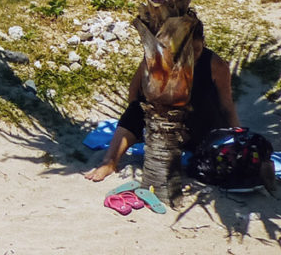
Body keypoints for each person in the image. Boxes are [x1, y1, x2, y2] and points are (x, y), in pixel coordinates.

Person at [85, 22, 238, 182]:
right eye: (186, 52)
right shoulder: (159, 58)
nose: (192, 57)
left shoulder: (215, 65)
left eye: (197, 50)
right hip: (164, 122)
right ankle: (109, 162)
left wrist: (237, 134)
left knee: (204, 105)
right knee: (136, 109)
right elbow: (135, 90)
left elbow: (226, 105)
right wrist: (136, 126)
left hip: (200, 124)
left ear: (203, 43)